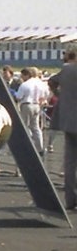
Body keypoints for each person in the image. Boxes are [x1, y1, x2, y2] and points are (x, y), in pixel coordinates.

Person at [48, 47, 77, 211]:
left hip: (68, 120)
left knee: (70, 161)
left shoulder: (66, 70)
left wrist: (60, 95)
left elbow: (51, 81)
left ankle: (71, 199)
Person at [15, 66, 50, 154]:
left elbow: (18, 97)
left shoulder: (25, 84)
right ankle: (40, 148)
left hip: (27, 105)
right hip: (37, 105)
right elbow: (47, 94)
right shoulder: (41, 84)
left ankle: (24, 147)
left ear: (27, 75)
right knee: (36, 127)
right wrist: (42, 100)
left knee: (25, 126)